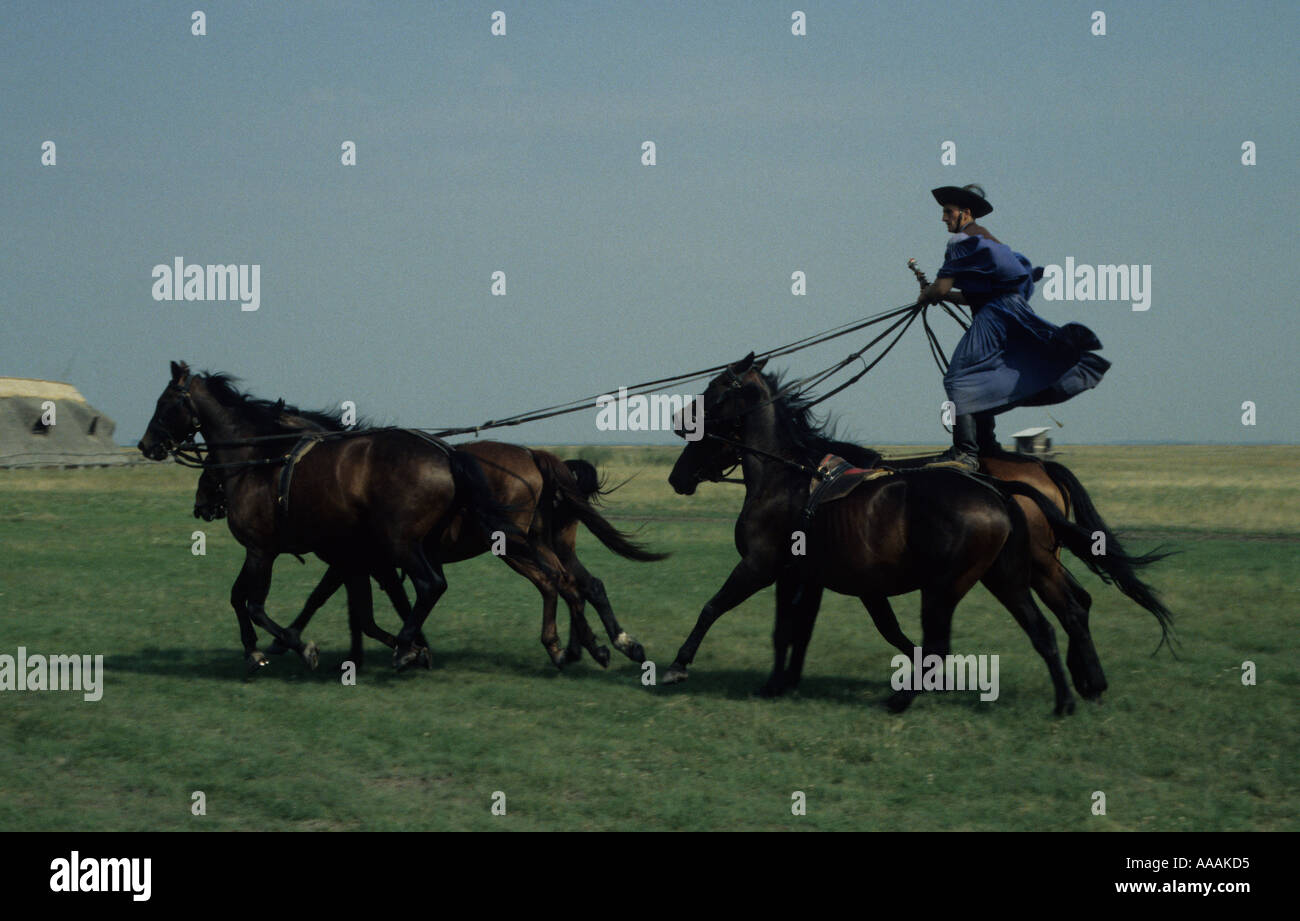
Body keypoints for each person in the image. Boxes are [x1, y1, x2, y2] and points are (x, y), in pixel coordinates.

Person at [916, 184, 1111, 469]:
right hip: (1005, 310)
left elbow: (942, 289)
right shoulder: (985, 240)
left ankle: (966, 452)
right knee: (983, 375)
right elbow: (974, 295)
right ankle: (986, 445)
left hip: (995, 316)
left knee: (959, 379)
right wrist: (937, 295)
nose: (943, 218)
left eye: (947, 212)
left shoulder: (962, 242)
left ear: (965, 213)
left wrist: (928, 294)